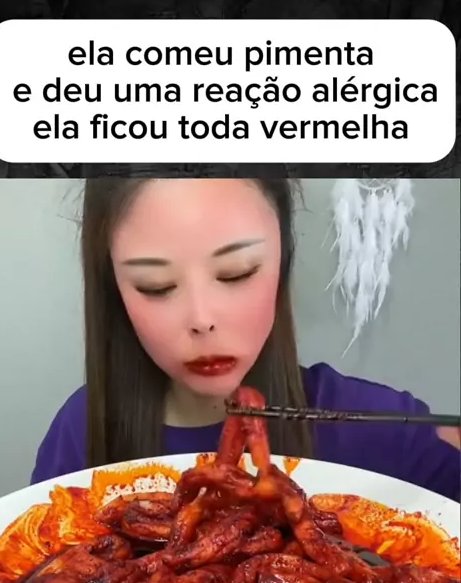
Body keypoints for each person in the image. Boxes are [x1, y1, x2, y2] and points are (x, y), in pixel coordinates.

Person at [31, 177, 460, 502]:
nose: (202, 319)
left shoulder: (389, 433)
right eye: (155, 286)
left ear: (282, 261)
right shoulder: (81, 431)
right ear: (114, 290)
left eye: (237, 273)